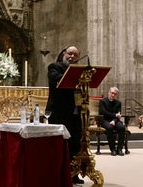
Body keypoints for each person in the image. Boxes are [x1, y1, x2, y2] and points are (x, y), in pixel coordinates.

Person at [46, 46, 84, 184]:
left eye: (75, 55)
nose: (72, 57)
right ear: (64, 54)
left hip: (75, 112)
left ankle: (73, 174)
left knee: (75, 143)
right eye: (69, 54)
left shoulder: (80, 71)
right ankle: (58, 174)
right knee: (60, 144)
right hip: (58, 113)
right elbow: (57, 79)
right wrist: (75, 78)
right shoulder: (54, 67)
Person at [99, 87, 125, 156]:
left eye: (115, 94)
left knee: (122, 127)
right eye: (112, 93)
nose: (113, 95)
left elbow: (118, 115)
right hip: (105, 120)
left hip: (115, 120)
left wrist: (114, 120)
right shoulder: (102, 101)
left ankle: (119, 149)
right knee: (109, 128)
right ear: (109, 92)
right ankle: (112, 149)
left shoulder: (118, 103)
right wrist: (115, 115)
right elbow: (103, 112)